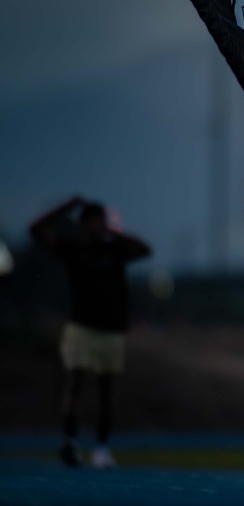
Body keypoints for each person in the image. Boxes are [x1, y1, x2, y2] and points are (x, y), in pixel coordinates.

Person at [29, 196, 151, 469]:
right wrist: (66, 206)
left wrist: (113, 233)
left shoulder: (116, 248)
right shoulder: (74, 248)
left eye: (101, 222)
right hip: (82, 327)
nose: (98, 226)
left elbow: (144, 249)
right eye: (93, 222)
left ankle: (102, 448)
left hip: (111, 330)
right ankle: (71, 441)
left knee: (106, 392)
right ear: (84, 225)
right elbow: (35, 231)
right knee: (74, 385)